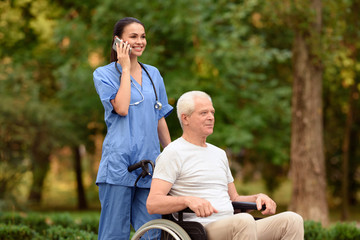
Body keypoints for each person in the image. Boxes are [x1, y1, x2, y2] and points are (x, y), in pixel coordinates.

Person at [147, 91, 304, 240]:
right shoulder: (173, 153)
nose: (211, 117)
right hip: (200, 229)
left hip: (235, 225)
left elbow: (234, 199)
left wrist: (258, 198)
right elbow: (153, 203)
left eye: (212, 112)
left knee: (292, 220)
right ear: (185, 118)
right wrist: (187, 200)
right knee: (243, 221)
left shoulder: (219, 154)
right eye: (203, 113)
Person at [93, 17, 173, 240]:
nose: (140, 41)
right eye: (133, 36)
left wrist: (175, 154)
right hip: (119, 167)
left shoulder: (153, 74)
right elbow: (121, 108)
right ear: (119, 41)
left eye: (143, 36)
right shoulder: (104, 74)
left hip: (150, 167)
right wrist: (126, 68)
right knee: (114, 235)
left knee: (152, 234)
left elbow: (159, 117)